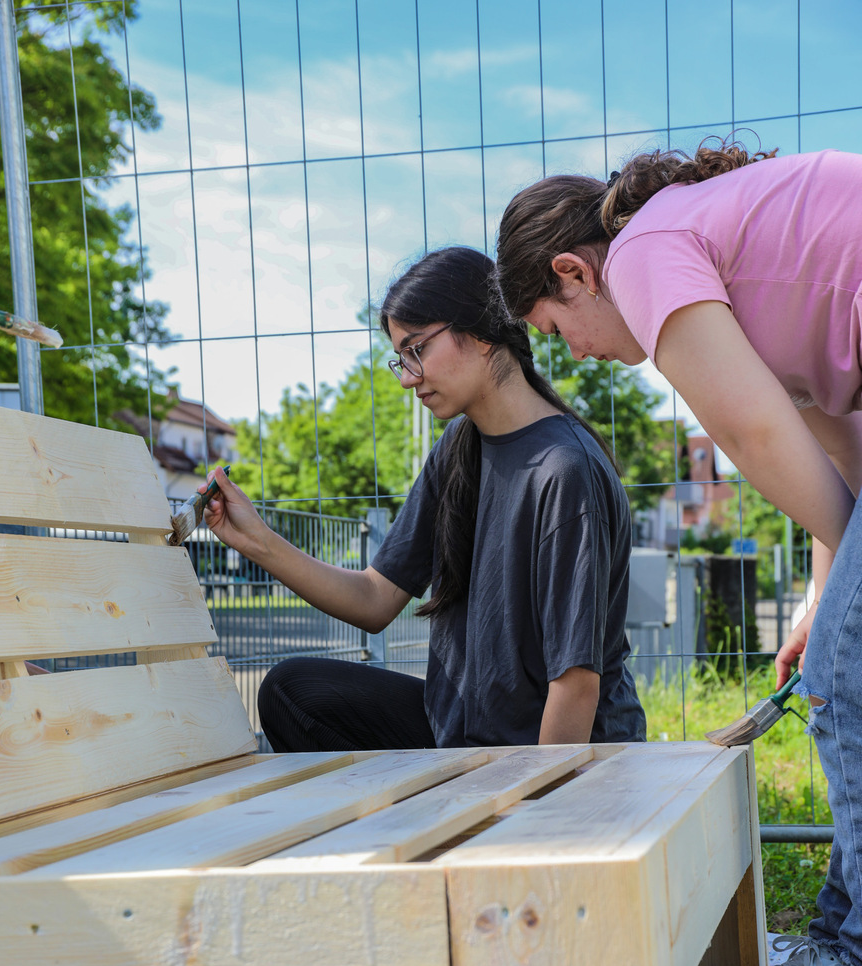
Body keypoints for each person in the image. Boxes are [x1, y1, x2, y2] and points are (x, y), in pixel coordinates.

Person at [495, 141, 862, 966]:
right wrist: (830, 591)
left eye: (554, 322)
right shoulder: (741, 275)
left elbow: (750, 433)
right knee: (844, 666)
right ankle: (834, 955)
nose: (573, 352)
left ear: (576, 272)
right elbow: (838, 458)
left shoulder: (651, 248)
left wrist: (847, 622)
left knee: (849, 686)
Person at [200, 245, 645, 759]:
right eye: (401, 359)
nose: (409, 377)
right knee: (291, 691)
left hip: (559, 754)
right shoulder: (460, 447)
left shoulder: (565, 470)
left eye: (417, 350)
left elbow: (576, 686)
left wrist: (534, 818)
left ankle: (454, 831)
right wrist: (254, 539)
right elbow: (373, 600)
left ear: (480, 333)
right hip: (461, 737)